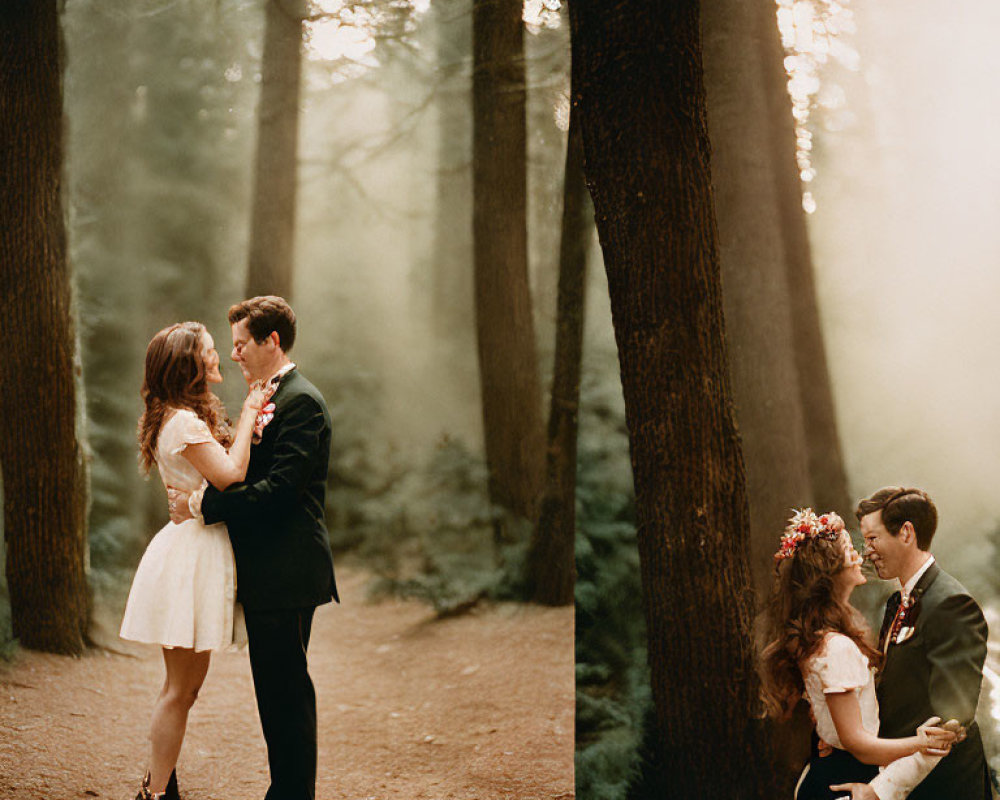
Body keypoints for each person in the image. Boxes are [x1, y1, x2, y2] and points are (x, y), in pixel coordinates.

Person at [168, 295, 338, 800]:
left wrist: (204, 507)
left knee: (286, 692)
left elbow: (282, 492)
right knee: (275, 691)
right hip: (267, 571)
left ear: (272, 342)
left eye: (241, 344)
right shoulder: (265, 397)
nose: (234, 354)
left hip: (289, 569)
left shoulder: (300, 401)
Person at [120, 321, 265, 800]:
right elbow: (232, 475)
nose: (218, 355)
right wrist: (248, 414)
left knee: (184, 688)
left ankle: (159, 783)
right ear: (192, 364)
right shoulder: (183, 422)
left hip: (190, 545)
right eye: (209, 349)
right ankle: (155, 793)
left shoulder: (181, 418)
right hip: (190, 554)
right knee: (180, 690)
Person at [759, 508, 962, 800]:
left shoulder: (826, 637)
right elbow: (860, 746)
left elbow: (839, 720)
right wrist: (919, 744)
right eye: (849, 549)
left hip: (834, 772)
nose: (860, 556)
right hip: (844, 784)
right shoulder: (835, 647)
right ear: (830, 573)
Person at [840, 487, 992, 800]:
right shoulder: (899, 602)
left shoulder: (951, 605)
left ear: (906, 533)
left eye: (872, 538)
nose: (867, 551)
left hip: (945, 788)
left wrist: (881, 791)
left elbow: (950, 726)